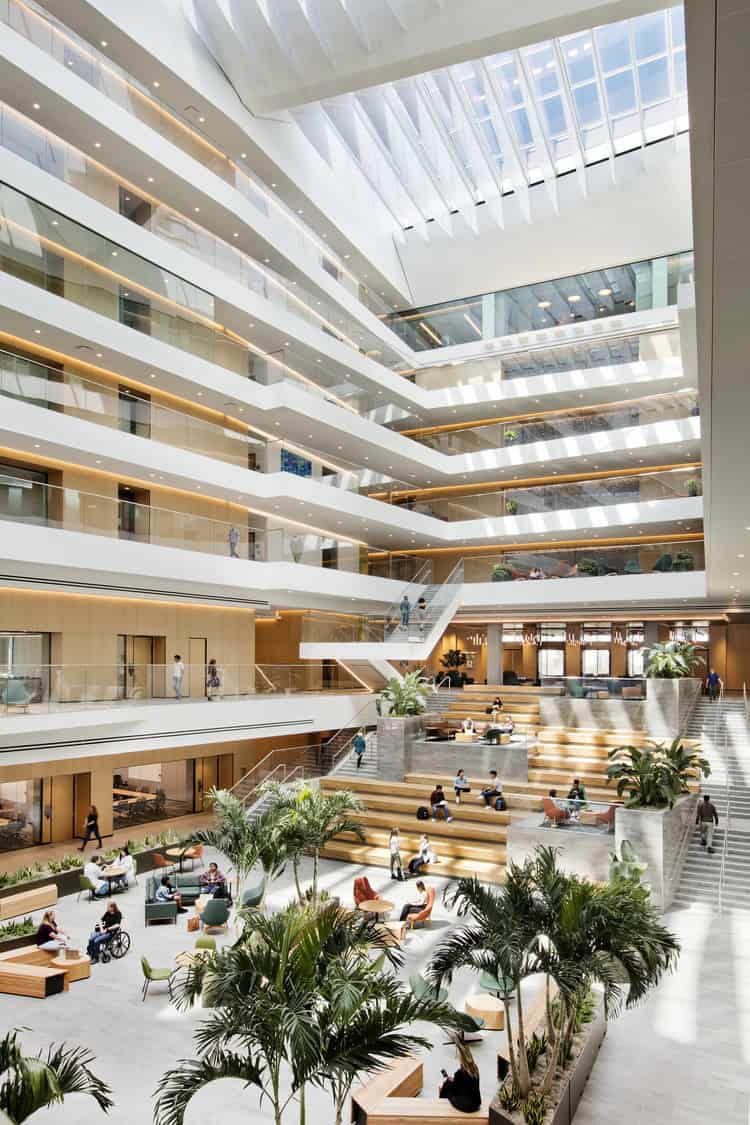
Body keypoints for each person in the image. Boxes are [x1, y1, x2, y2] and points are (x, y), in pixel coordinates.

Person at [439, 1040, 482, 1113]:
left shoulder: (459, 1073)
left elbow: (455, 1090)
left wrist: (449, 1081)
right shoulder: (475, 1069)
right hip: (476, 1104)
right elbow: (467, 1085)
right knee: (450, 1083)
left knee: (446, 1085)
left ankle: (441, 1105)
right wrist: (455, 1080)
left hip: (466, 1106)